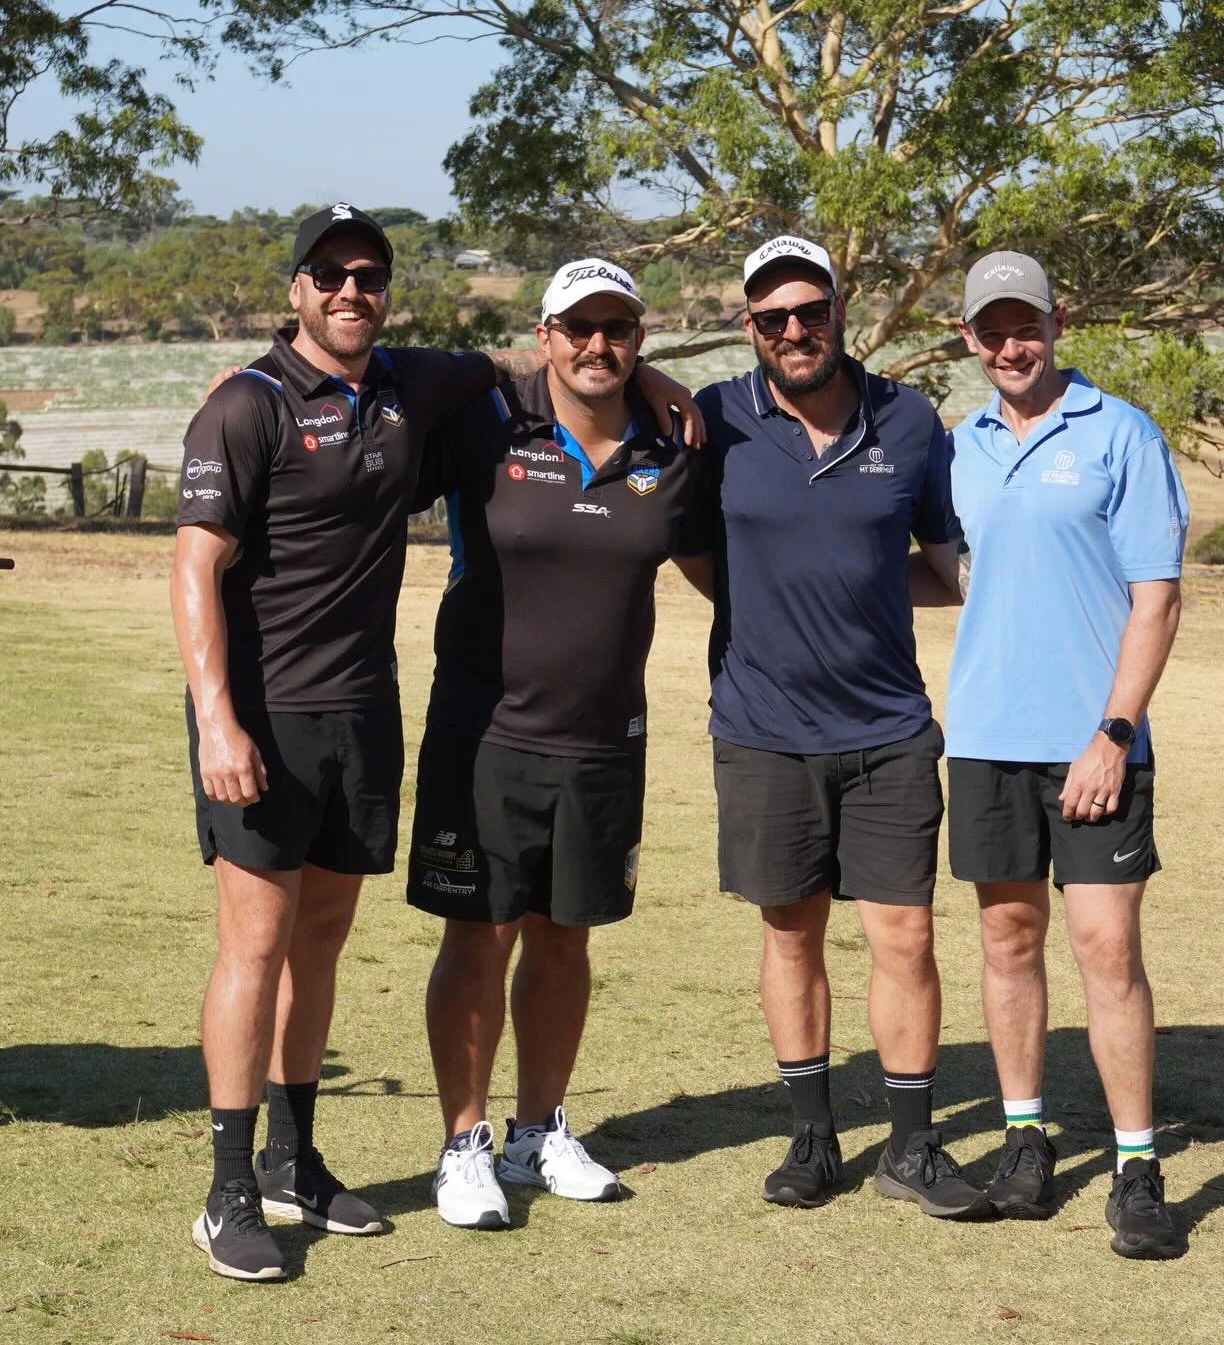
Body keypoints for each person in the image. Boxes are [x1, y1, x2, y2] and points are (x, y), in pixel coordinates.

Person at [170, 211, 695, 1281]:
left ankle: (293, 1159)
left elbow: (523, 359)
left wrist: (652, 385)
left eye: (369, 276)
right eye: (330, 275)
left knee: (318, 940)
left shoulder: (413, 391)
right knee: (255, 943)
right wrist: (218, 720)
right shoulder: (247, 403)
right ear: (297, 287)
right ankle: (228, 1190)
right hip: (262, 714)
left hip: (363, 710)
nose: (351, 291)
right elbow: (193, 568)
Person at [677, 236, 989, 1219]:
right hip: (764, 728)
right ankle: (812, 1139)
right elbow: (691, 550)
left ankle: (911, 1146)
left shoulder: (908, 418)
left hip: (888, 726)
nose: (794, 330)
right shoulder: (717, 417)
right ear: (749, 328)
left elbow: (943, 570)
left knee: (904, 933)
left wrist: (857, 593)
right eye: (772, 317)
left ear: (841, 310)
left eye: (811, 311)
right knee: (791, 932)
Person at [406, 259, 708, 1230]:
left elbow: (725, 571)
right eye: (577, 327)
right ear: (544, 336)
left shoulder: (671, 444)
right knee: (479, 936)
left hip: (605, 741)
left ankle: (539, 1132)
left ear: (639, 338)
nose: (597, 344)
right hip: (484, 735)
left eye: (616, 327)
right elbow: (379, 369)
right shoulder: (488, 419)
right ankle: (465, 1146)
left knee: (565, 935)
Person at [942, 249, 1189, 1259]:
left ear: (1058, 322)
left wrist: (1114, 733)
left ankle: (1136, 1166)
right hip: (988, 739)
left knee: (1106, 952)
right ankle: (1024, 1141)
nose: (1012, 343)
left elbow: (1156, 597)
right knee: (1007, 944)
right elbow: (944, 565)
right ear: (968, 338)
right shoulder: (958, 447)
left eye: (1027, 323)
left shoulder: (1122, 433)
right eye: (992, 329)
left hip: (1094, 746)